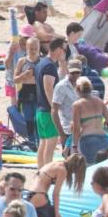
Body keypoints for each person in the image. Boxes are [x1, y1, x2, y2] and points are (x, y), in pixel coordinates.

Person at [27, 152, 85, 217]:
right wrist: (57, 213)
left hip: (30, 195)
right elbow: (56, 194)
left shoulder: (57, 164)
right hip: (40, 196)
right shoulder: (62, 170)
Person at [33, 39, 67, 168]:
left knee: (43, 144)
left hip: (40, 111)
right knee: (50, 145)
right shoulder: (49, 66)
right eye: (63, 49)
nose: (64, 52)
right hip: (47, 111)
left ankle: (41, 171)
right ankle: (46, 172)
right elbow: (48, 88)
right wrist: (55, 110)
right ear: (57, 49)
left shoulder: (42, 63)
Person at [72, 78, 108, 165]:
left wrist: (74, 145)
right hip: (103, 139)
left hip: (87, 140)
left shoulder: (77, 105)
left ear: (77, 90)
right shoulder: (99, 101)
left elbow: (76, 128)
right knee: (104, 167)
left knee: (90, 169)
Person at [51, 59, 84, 152]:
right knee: (70, 161)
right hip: (67, 130)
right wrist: (61, 134)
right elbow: (54, 111)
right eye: (73, 72)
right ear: (67, 71)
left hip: (82, 128)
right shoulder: (61, 86)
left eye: (77, 72)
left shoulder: (82, 84)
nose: (75, 75)